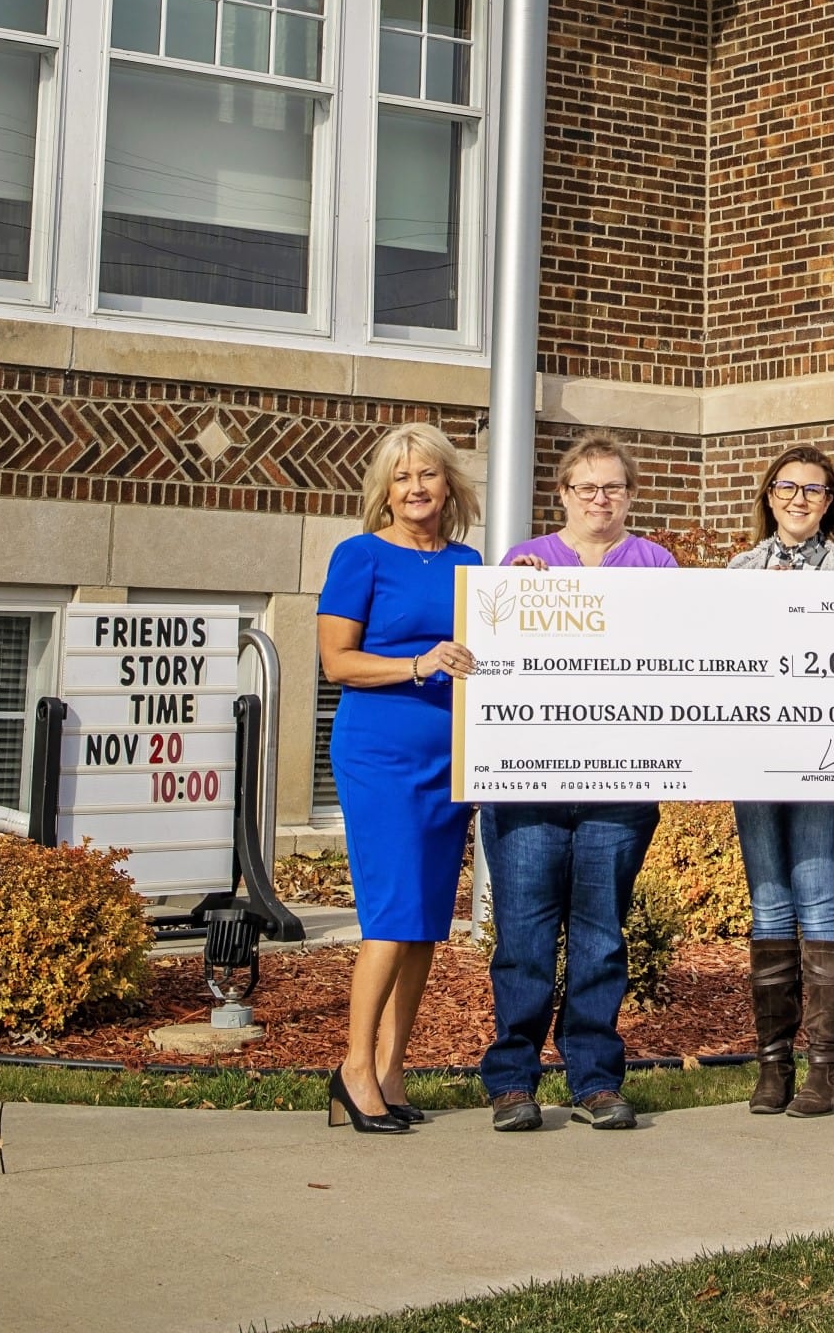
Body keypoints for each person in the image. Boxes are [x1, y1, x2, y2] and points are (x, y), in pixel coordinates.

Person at [478, 431, 674, 1137]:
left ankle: (594, 1080)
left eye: (613, 487)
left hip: (618, 785)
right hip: (529, 784)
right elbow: (496, 656)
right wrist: (512, 593)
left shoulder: (656, 565)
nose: (600, 498)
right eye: (587, 487)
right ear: (562, 494)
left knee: (600, 938)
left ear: (630, 494)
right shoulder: (525, 562)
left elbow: (679, 659)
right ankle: (513, 1083)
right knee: (524, 939)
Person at [316, 423, 481, 1135]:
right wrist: (417, 665)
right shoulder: (360, 556)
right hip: (379, 754)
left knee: (424, 925)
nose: (416, 488)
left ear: (450, 485)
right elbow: (338, 663)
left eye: (429, 475)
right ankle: (353, 1068)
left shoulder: (470, 562)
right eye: (402, 476)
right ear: (384, 488)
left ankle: (391, 1067)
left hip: (450, 756)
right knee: (389, 917)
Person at [726, 446, 834, 1117]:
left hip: (826, 757)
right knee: (769, 905)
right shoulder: (735, 574)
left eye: (813, 491)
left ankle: (826, 1069)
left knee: (817, 896)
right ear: (769, 494)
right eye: (787, 487)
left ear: (829, 502)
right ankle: (771, 1067)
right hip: (755, 757)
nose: (798, 499)